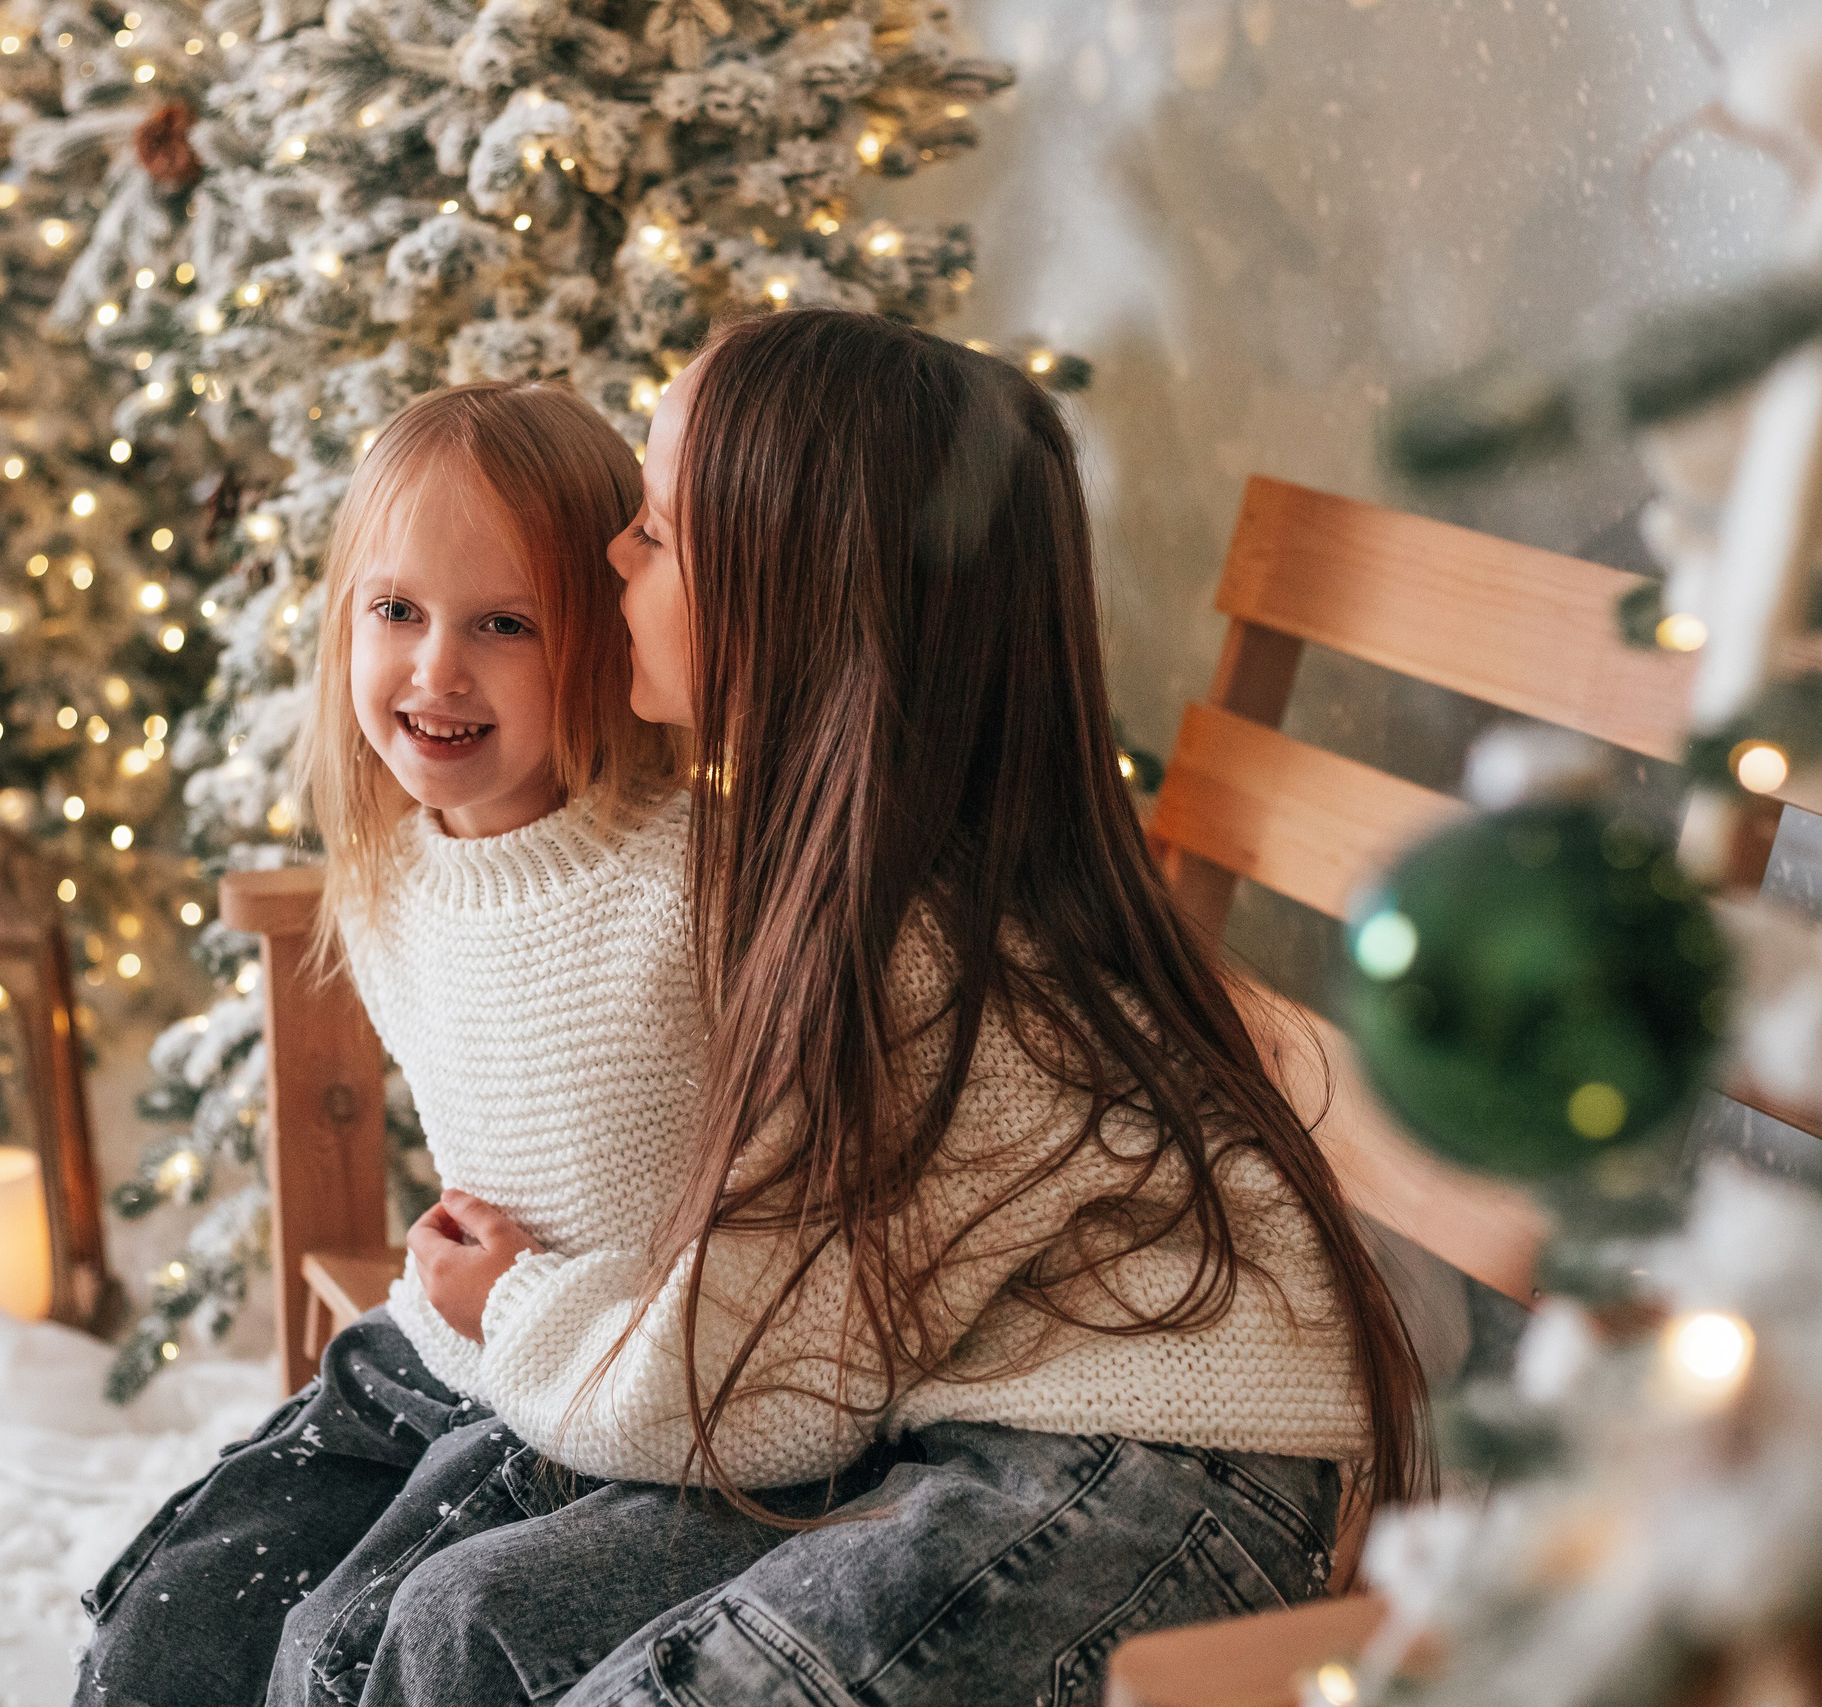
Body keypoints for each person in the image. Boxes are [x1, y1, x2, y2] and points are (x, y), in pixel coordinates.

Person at [350, 310, 1433, 1706]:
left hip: (1156, 1477)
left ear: (797, 605)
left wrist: (512, 1304)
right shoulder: (845, 879)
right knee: (469, 1617)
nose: (611, 554)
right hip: (958, 1429)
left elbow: (756, 1392)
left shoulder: (901, 950)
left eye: (659, 532)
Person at [73, 380, 814, 1707]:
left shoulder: (701, 885)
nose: (436, 672)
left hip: (619, 1402)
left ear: (604, 637)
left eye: (505, 625)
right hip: (442, 1354)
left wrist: (539, 1309)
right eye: (398, 612)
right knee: (169, 1621)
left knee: (338, 1653)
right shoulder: (389, 880)